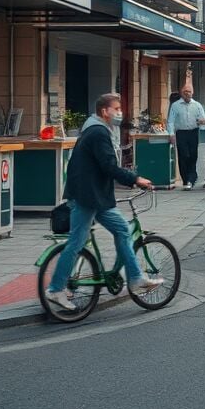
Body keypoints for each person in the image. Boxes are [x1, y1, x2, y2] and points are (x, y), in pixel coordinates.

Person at [44, 93, 162, 311]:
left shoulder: (95, 129)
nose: (119, 112)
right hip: (87, 197)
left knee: (122, 230)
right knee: (76, 243)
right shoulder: (98, 132)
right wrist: (135, 179)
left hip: (93, 195)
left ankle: (135, 277)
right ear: (104, 111)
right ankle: (55, 288)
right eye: (116, 109)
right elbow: (109, 166)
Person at [168, 87, 205, 190]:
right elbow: (171, 121)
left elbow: (202, 118)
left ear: (192, 93)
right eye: (185, 92)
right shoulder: (175, 106)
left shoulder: (197, 105)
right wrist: (171, 134)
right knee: (183, 156)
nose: (187, 94)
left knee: (193, 155)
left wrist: (202, 123)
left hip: (193, 132)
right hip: (181, 133)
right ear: (182, 93)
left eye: (189, 92)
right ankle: (186, 180)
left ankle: (192, 177)